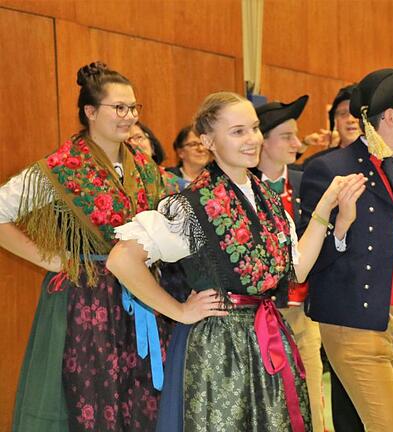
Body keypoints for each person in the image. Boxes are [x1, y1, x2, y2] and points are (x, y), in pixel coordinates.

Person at [106, 91, 366, 432]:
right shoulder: (193, 206)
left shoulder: (267, 200)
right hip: (219, 346)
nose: (252, 139)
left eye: (255, 128)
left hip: (269, 337)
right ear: (208, 141)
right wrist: (179, 311)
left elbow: (295, 270)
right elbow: (122, 259)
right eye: (238, 131)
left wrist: (326, 209)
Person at [0, 62, 177, 431]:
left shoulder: (145, 169)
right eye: (119, 107)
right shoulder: (61, 168)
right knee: (88, 398)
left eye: (133, 107)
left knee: (142, 398)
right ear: (90, 112)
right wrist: (48, 259)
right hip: (85, 300)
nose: (128, 116)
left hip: (140, 297)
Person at [298, 67, 393, 432]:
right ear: (390, 115)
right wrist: (342, 225)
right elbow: (308, 261)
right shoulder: (328, 169)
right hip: (356, 322)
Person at [251, 94, 327, 431]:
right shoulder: (242, 189)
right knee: (266, 402)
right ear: (263, 142)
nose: (298, 143)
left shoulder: (305, 182)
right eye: (287, 136)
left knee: (312, 397)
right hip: (258, 315)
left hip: (304, 310)